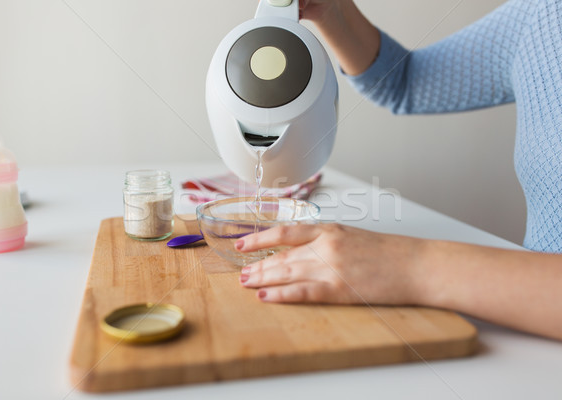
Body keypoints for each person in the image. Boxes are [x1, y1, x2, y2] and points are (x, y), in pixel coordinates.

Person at [236, 0, 562, 341]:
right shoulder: (546, 12)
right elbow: (404, 81)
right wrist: (332, 9)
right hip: (528, 344)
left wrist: (411, 265)